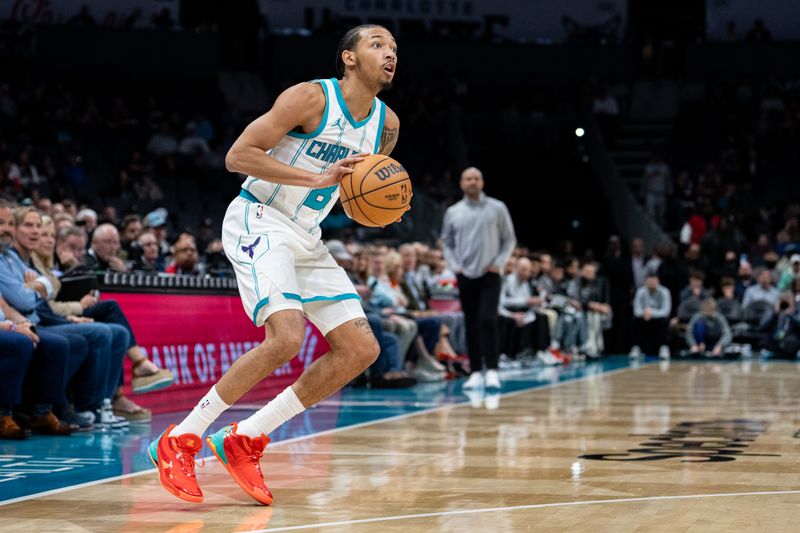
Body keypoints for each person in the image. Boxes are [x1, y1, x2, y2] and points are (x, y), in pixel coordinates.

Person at [150, 24, 403, 505]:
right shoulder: (311, 98)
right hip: (260, 218)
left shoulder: (386, 125)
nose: (390, 54)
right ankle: (181, 439)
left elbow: (353, 189)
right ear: (348, 58)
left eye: (394, 49)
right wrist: (316, 176)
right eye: (377, 45)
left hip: (307, 235)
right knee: (286, 338)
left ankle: (248, 437)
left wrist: (373, 203)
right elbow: (237, 156)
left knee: (360, 349)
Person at [441, 166, 516, 390]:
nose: (472, 182)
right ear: (462, 183)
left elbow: (509, 239)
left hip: (490, 274)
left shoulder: (497, 208)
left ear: (482, 182)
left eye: (476, 178)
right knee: (471, 323)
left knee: (488, 319)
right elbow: (446, 242)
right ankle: (475, 371)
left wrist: (499, 264)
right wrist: (455, 266)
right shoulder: (453, 212)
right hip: (465, 275)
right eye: (468, 178)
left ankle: (492, 369)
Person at [630, 273, 672, 359]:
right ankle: (636, 347)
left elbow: (666, 311)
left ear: (658, 281)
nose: (652, 283)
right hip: (644, 318)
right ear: (645, 282)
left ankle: (663, 348)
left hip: (658, 319)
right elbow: (636, 311)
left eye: (654, 281)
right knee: (635, 319)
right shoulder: (640, 291)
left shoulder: (665, 292)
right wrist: (645, 313)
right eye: (649, 281)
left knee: (665, 320)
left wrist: (651, 312)